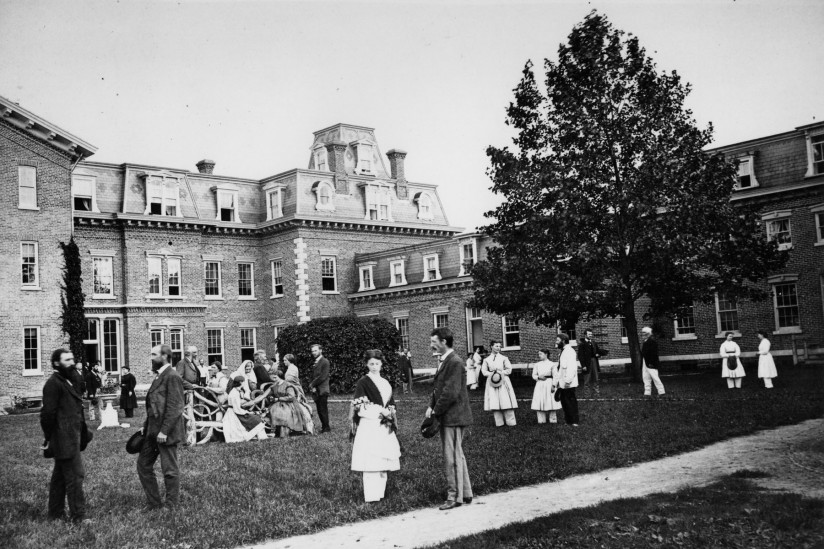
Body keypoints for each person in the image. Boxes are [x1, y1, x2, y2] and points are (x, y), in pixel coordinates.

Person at [427, 327, 474, 510]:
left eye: (434, 342)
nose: (431, 345)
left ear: (444, 342)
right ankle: (465, 492)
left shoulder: (454, 361)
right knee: (457, 454)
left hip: (453, 416)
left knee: (452, 457)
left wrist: (436, 412)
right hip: (451, 415)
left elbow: (450, 393)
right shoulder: (446, 360)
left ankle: (454, 496)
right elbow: (438, 388)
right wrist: (431, 405)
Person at [41, 348, 90, 523]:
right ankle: (79, 517)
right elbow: (47, 414)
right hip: (64, 438)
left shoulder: (68, 380)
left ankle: (55, 514)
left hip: (72, 436)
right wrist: (49, 438)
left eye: (72, 359)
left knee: (60, 477)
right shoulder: (53, 384)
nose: (72, 363)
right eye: (67, 360)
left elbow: (80, 390)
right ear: (56, 363)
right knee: (76, 476)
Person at [349, 350, 402, 502]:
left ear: (381, 364)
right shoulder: (363, 382)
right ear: (367, 364)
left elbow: (390, 403)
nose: (374, 366)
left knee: (383, 459)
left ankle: (380, 493)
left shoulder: (385, 383)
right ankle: (371, 496)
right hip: (370, 424)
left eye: (377, 363)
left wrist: (390, 412)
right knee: (371, 460)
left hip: (384, 425)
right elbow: (360, 407)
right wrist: (380, 411)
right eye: (371, 364)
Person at [137, 345, 185, 510]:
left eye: (154, 354)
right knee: (143, 465)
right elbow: (155, 406)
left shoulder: (172, 376)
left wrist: (164, 431)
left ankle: (171, 505)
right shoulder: (159, 376)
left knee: (169, 470)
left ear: (164, 356)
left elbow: (176, 407)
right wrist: (146, 426)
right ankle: (154, 503)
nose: (151, 357)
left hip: (166, 433)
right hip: (153, 431)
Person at [481, 340, 518, 427]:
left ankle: (511, 422)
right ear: (491, 346)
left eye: (499, 346)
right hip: (492, 382)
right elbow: (484, 371)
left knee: (506, 399)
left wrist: (500, 373)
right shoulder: (486, 360)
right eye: (496, 346)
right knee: (495, 400)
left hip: (503, 381)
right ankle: (499, 422)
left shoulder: (504, 358)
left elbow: (509, 370)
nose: (498, 348)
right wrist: (492, 374)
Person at [269, 368, 315, 436]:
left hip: (289, 404)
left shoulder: (287, 385)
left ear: (280, 377)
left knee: (286, 413)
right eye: (272, 378)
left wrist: (278, 399)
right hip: (278, 403)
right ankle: (275, 430)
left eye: (275, 377)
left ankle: (288, 430)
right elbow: (268, 394)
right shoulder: (274, 386)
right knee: (273, 410)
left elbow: (291, 397)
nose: (274, 380)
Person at [222, 376, 267, 443]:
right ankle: (261, 437)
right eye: (243, 382)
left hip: (235, 411)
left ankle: (262, 437)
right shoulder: (234, 393)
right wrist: (248, 412)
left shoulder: (236, 391)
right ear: (240, 382)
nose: (244, 383)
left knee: (255, 418)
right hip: (234, 413)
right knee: (256, 419)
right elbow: (237, 409)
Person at [175, 346, 200, 446]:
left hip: (194, 392)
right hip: (186, 393)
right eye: (195, 352)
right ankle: (184, 439)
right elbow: (178, 378)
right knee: (186, 415)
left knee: (195, 413)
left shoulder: (193, 362)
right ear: (189, 353)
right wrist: (190, 385)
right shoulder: (182, 363)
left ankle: (196, 436)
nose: (196, 354)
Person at [554, 333, 579, 426]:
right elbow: (560, 368)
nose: (556, 342)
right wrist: (557, 382)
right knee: (564, 402)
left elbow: (572, 368)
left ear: (563, 341)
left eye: (558, 340)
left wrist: (568, 381)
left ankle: (574, 421)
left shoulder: (570, 351)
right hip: (562, 382)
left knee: (570, 402)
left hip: (568, 383)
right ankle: (568, 421)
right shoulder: (563, 351)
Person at [531, 349, 561, 424]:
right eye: (539, 354)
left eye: (541, 354)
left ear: (546, 354)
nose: (539, 356)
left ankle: (553, 420)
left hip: (549, 383)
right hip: (540, 384)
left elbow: (556, 376)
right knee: (540, 400)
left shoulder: (552, 364)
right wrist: (538, 377)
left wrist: (554, 385)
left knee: (551, 400)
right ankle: (541, 420)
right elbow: (534, 375)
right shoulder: (537, 364)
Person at [309, 344, 331, 433]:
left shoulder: (325, 362)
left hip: (322, 389)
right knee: (319, 409)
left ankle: (326, 428)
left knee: (323, 409)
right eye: (312, 351)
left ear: (320, 350)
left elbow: (323, 377)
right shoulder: (316, 362)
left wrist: (312, 384)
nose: (314, 353)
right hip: (317, 390)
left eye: (315, 350)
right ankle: (324, 427)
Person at [640, 327, 665, 396]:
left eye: (644, 333)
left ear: (648, 334)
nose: (642, 335)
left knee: (655, 377)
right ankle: (647, 392)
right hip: (645, 362)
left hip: (651, 363)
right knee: (645, 377)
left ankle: (661, 391)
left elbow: (654, 354)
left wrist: (651, 363)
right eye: (642, 333)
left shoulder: (652, 342)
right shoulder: (645, 342)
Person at [577, 329, 603, 396]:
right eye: (589, 334)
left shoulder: (594, 343)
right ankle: (587, 394)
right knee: (587, 379)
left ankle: (596, 393)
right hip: (586, 363)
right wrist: (583, 365)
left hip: (594, 361)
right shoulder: (582, 344)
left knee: (596, 378)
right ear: (585, 335)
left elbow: (598, 351)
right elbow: (580, 356)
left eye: (591, 334)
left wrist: (598, 354)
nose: (590, 335)